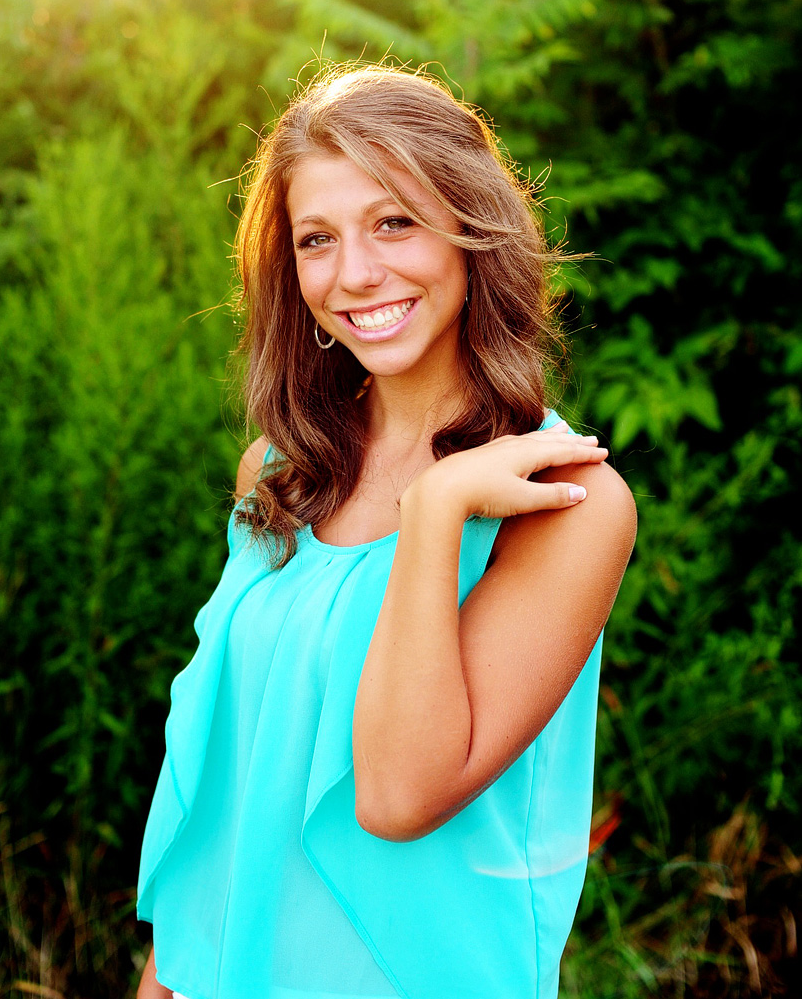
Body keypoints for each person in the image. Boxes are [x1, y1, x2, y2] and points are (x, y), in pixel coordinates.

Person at [135, 64, 636, 999]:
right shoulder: (278, 478)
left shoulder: (569, 501)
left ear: (467, 224)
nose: (356, 273)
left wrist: (435, 511)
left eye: (393, 221)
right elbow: (232, 786)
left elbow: (401, 796)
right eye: (317, 238)